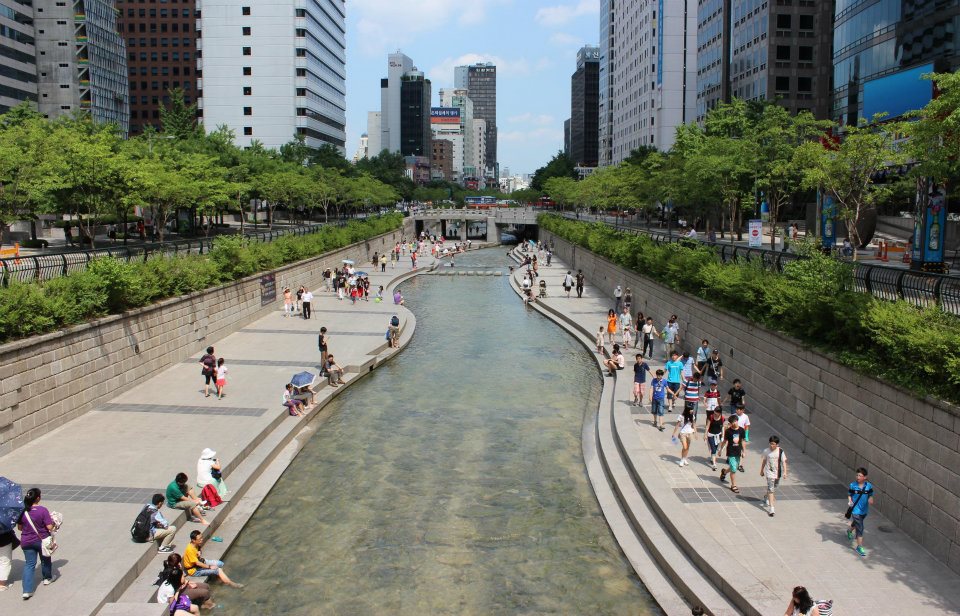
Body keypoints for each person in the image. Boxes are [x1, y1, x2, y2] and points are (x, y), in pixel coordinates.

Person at [18, 488, 57, 600]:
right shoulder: (43, 510)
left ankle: (27, 591)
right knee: (45, 559)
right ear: (38, 498)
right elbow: (49, 527)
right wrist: (55, 523)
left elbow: (20, 528)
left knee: (29, 564)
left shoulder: (23, 511)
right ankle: (47, 578)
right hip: (42, 540)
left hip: (26, 541)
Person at [847, 467, 875, 557]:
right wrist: (850, 501)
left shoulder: (869, 486)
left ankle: (849, 531)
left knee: (856, 523)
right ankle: (859, 546)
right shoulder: (852, 485)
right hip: (855, 510)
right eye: (857, 475)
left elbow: (871, 494)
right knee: (860, 528)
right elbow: (849, 495)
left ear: (865, 477)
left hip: (864, 510)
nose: (858, 477)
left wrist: (870, 498)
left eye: (860, 475)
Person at [718, 415, 746, 493]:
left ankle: (724, 472)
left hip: (738, 451)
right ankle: (733, 485)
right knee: (734, 469)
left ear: (737, 421)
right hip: (731, 452)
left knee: (734, 467)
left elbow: (743, 441)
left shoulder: (741, 430)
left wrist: (744, 451)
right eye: (732, 422)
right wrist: (720, 450)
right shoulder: (728, 431)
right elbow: (725, 441)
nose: (733, 424)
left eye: (735, 422)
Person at [761, 436, 788, 517]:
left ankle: (766, 496)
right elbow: (764, 461)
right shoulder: (766, 451)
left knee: (774, 487)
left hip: (777, 473)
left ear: (777, 444)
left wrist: (785, 472)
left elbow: (784, 462)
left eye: (773, 444)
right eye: (770, 444)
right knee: (771, 489)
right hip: (769, 473)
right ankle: (772, 508)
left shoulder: (781, 451)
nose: (771, 446)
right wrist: (761, 470)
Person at [704, 406, 725, 471]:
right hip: (711, 435)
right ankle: (714, 464)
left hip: (718, 435)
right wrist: (705, 434)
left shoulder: (722, 418)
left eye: (716, 412)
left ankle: (712, 458)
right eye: (714, 412)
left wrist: (723, 435)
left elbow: (723, 427)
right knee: (713, 449)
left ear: (719, 413)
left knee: (715, 448)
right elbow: (707, 426)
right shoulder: (711, 417)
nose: (715, 413)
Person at [0, 525, 17, 592]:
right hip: (4, 540)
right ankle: (1, 584)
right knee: (5, 562)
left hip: (4, 540)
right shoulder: (4, 516)